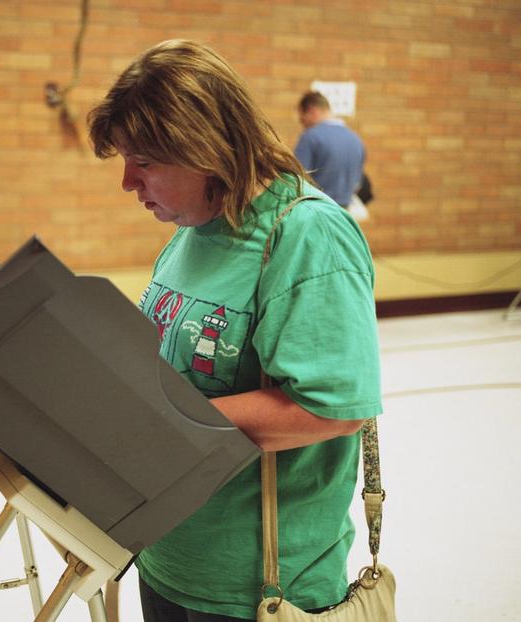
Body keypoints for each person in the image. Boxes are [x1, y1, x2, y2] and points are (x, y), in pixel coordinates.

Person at [88, 40, 382, 621]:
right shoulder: (194, 226)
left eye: (143, 161)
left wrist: (162, 417)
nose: (126, 181)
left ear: (205, 150)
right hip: (169, 556)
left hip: (260, 586)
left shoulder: (304, 233)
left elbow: (334, 410)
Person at [294, 91, 365, 209]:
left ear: (312, 111)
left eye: (303, 119)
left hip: (316, 211)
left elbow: (297, 179)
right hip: (344, 212)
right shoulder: (355, 139)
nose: (303, 124)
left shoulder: (310, 137)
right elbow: (358, 182)